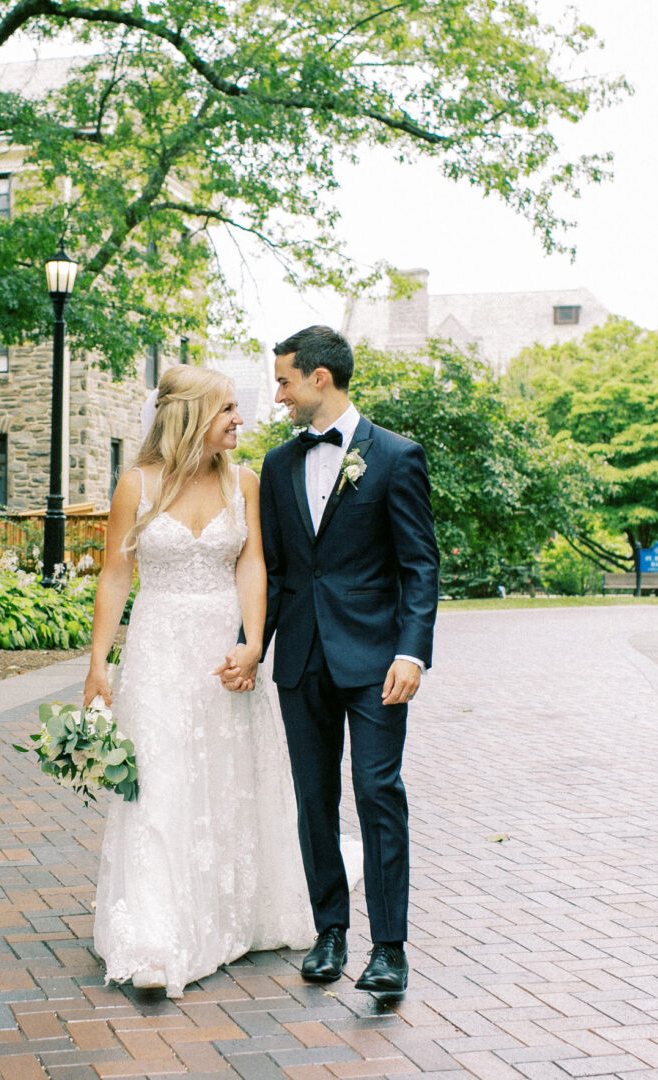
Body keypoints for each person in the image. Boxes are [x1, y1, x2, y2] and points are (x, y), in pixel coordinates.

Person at [222, 325, 439, 995]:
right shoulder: (281, 466)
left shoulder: (397, 457)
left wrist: (413, 652)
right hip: (303, 662)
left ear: (321, 378)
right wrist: (250, 643)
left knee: (378, 796)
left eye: (285, 380)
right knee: (314, 800)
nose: (278, 394)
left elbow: (419, 565)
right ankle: (330, 932)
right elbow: (280, 571)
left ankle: (391, 950)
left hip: (378, 662)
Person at [84, 365, 312, 998]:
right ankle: (155, 939)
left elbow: (254, 565)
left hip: (221, 657)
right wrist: (99, 662)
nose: (241, 419)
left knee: (226, 778)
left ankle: (232, 912)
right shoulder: (137, 484)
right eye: (228, 409)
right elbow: (115, 577)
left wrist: (252, 644)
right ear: (188, 416)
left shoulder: (245, 482)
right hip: (157, 654)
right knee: (158, 785)